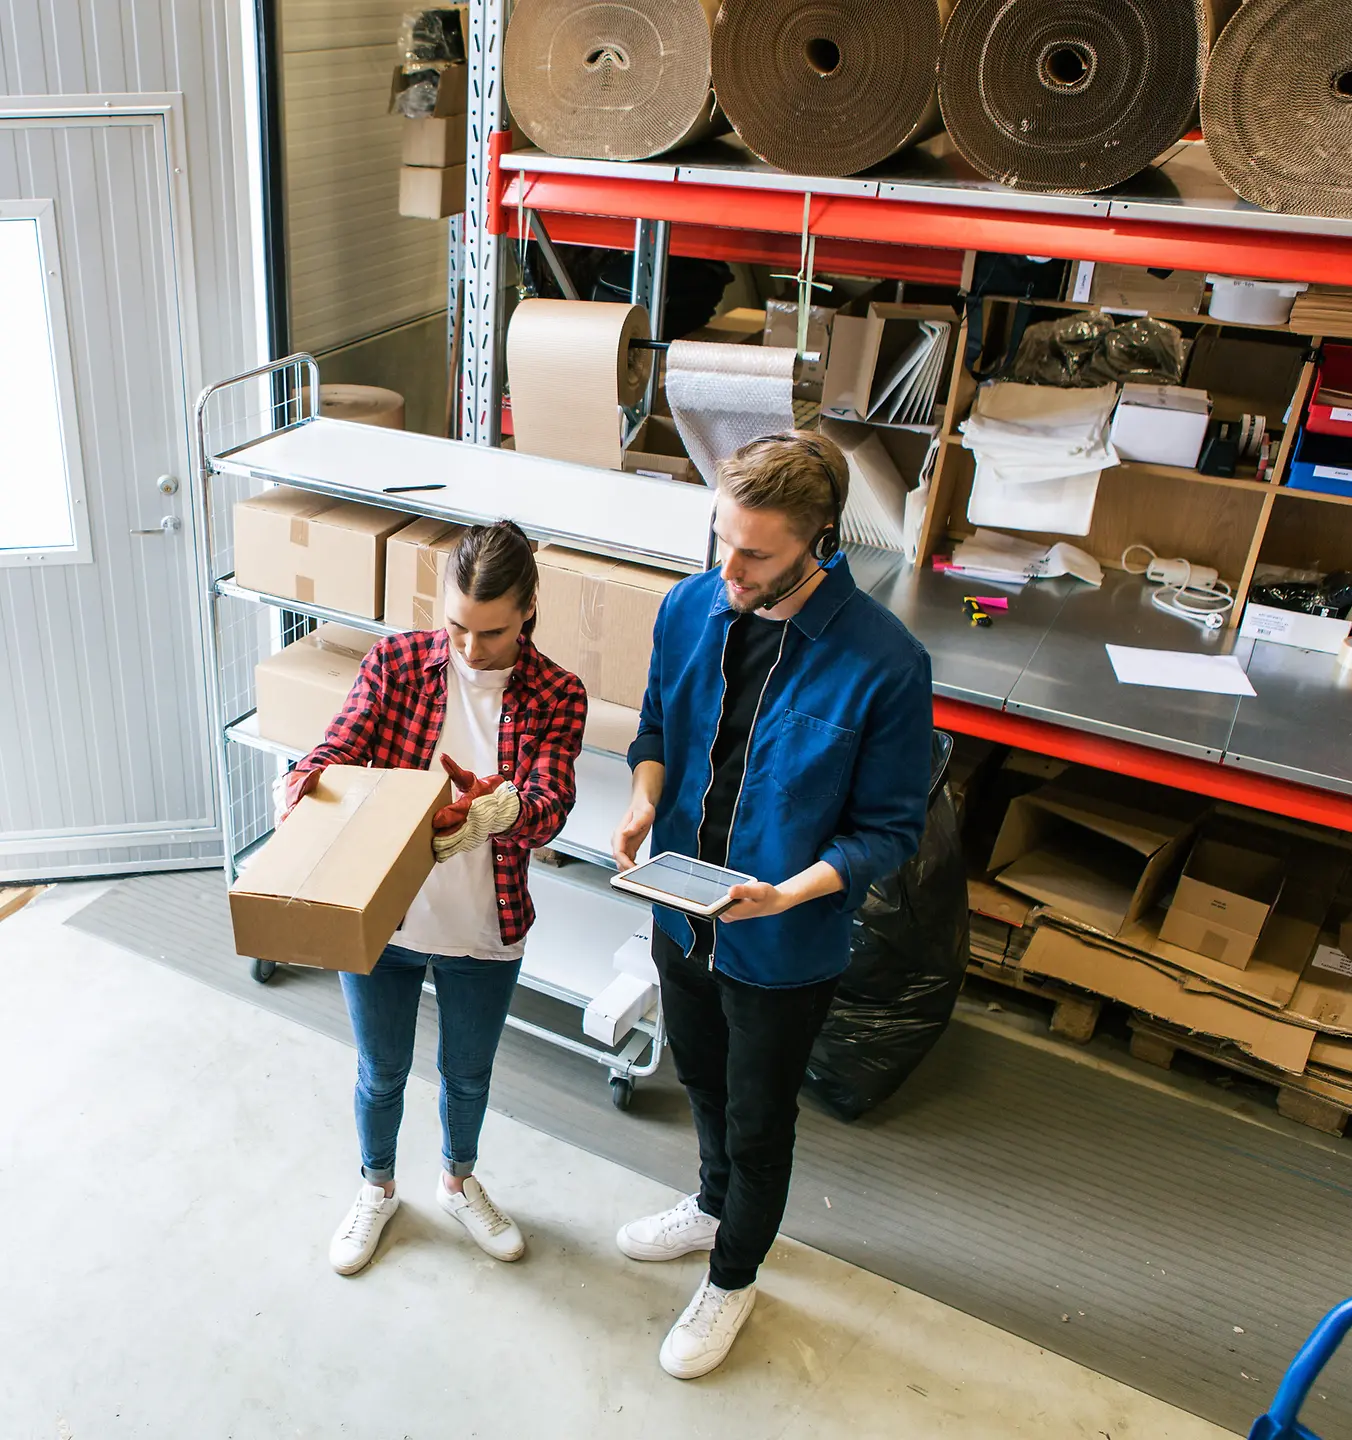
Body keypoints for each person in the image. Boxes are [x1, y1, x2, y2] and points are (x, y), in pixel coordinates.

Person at [610, 431, 934, 1379]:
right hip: (681, 911)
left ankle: (734, 1276)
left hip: (784, 942)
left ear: (819, 541)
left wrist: (786, 894)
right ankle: (711, 1206)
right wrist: (640, 802)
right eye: (722, 541)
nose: (729, 570)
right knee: (700, 1083)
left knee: (758, 1118)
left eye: (754, 554)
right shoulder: (689, 606)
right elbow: (659, 726)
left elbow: (887, 831)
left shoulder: (886, 664)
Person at [278, 521, 586, 1277]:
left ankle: (457, 1181)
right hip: (386, 918)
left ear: (529, 611)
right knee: (380, 1071)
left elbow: (552, 798)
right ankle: (376, 1187)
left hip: (486, 926)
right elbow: (340, 742)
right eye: (456, 626)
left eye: (491, 631)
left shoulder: (557, 694)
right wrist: (306, 781)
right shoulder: (399, 663)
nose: (470, 649)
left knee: (468, 1075)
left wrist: (500, 810)